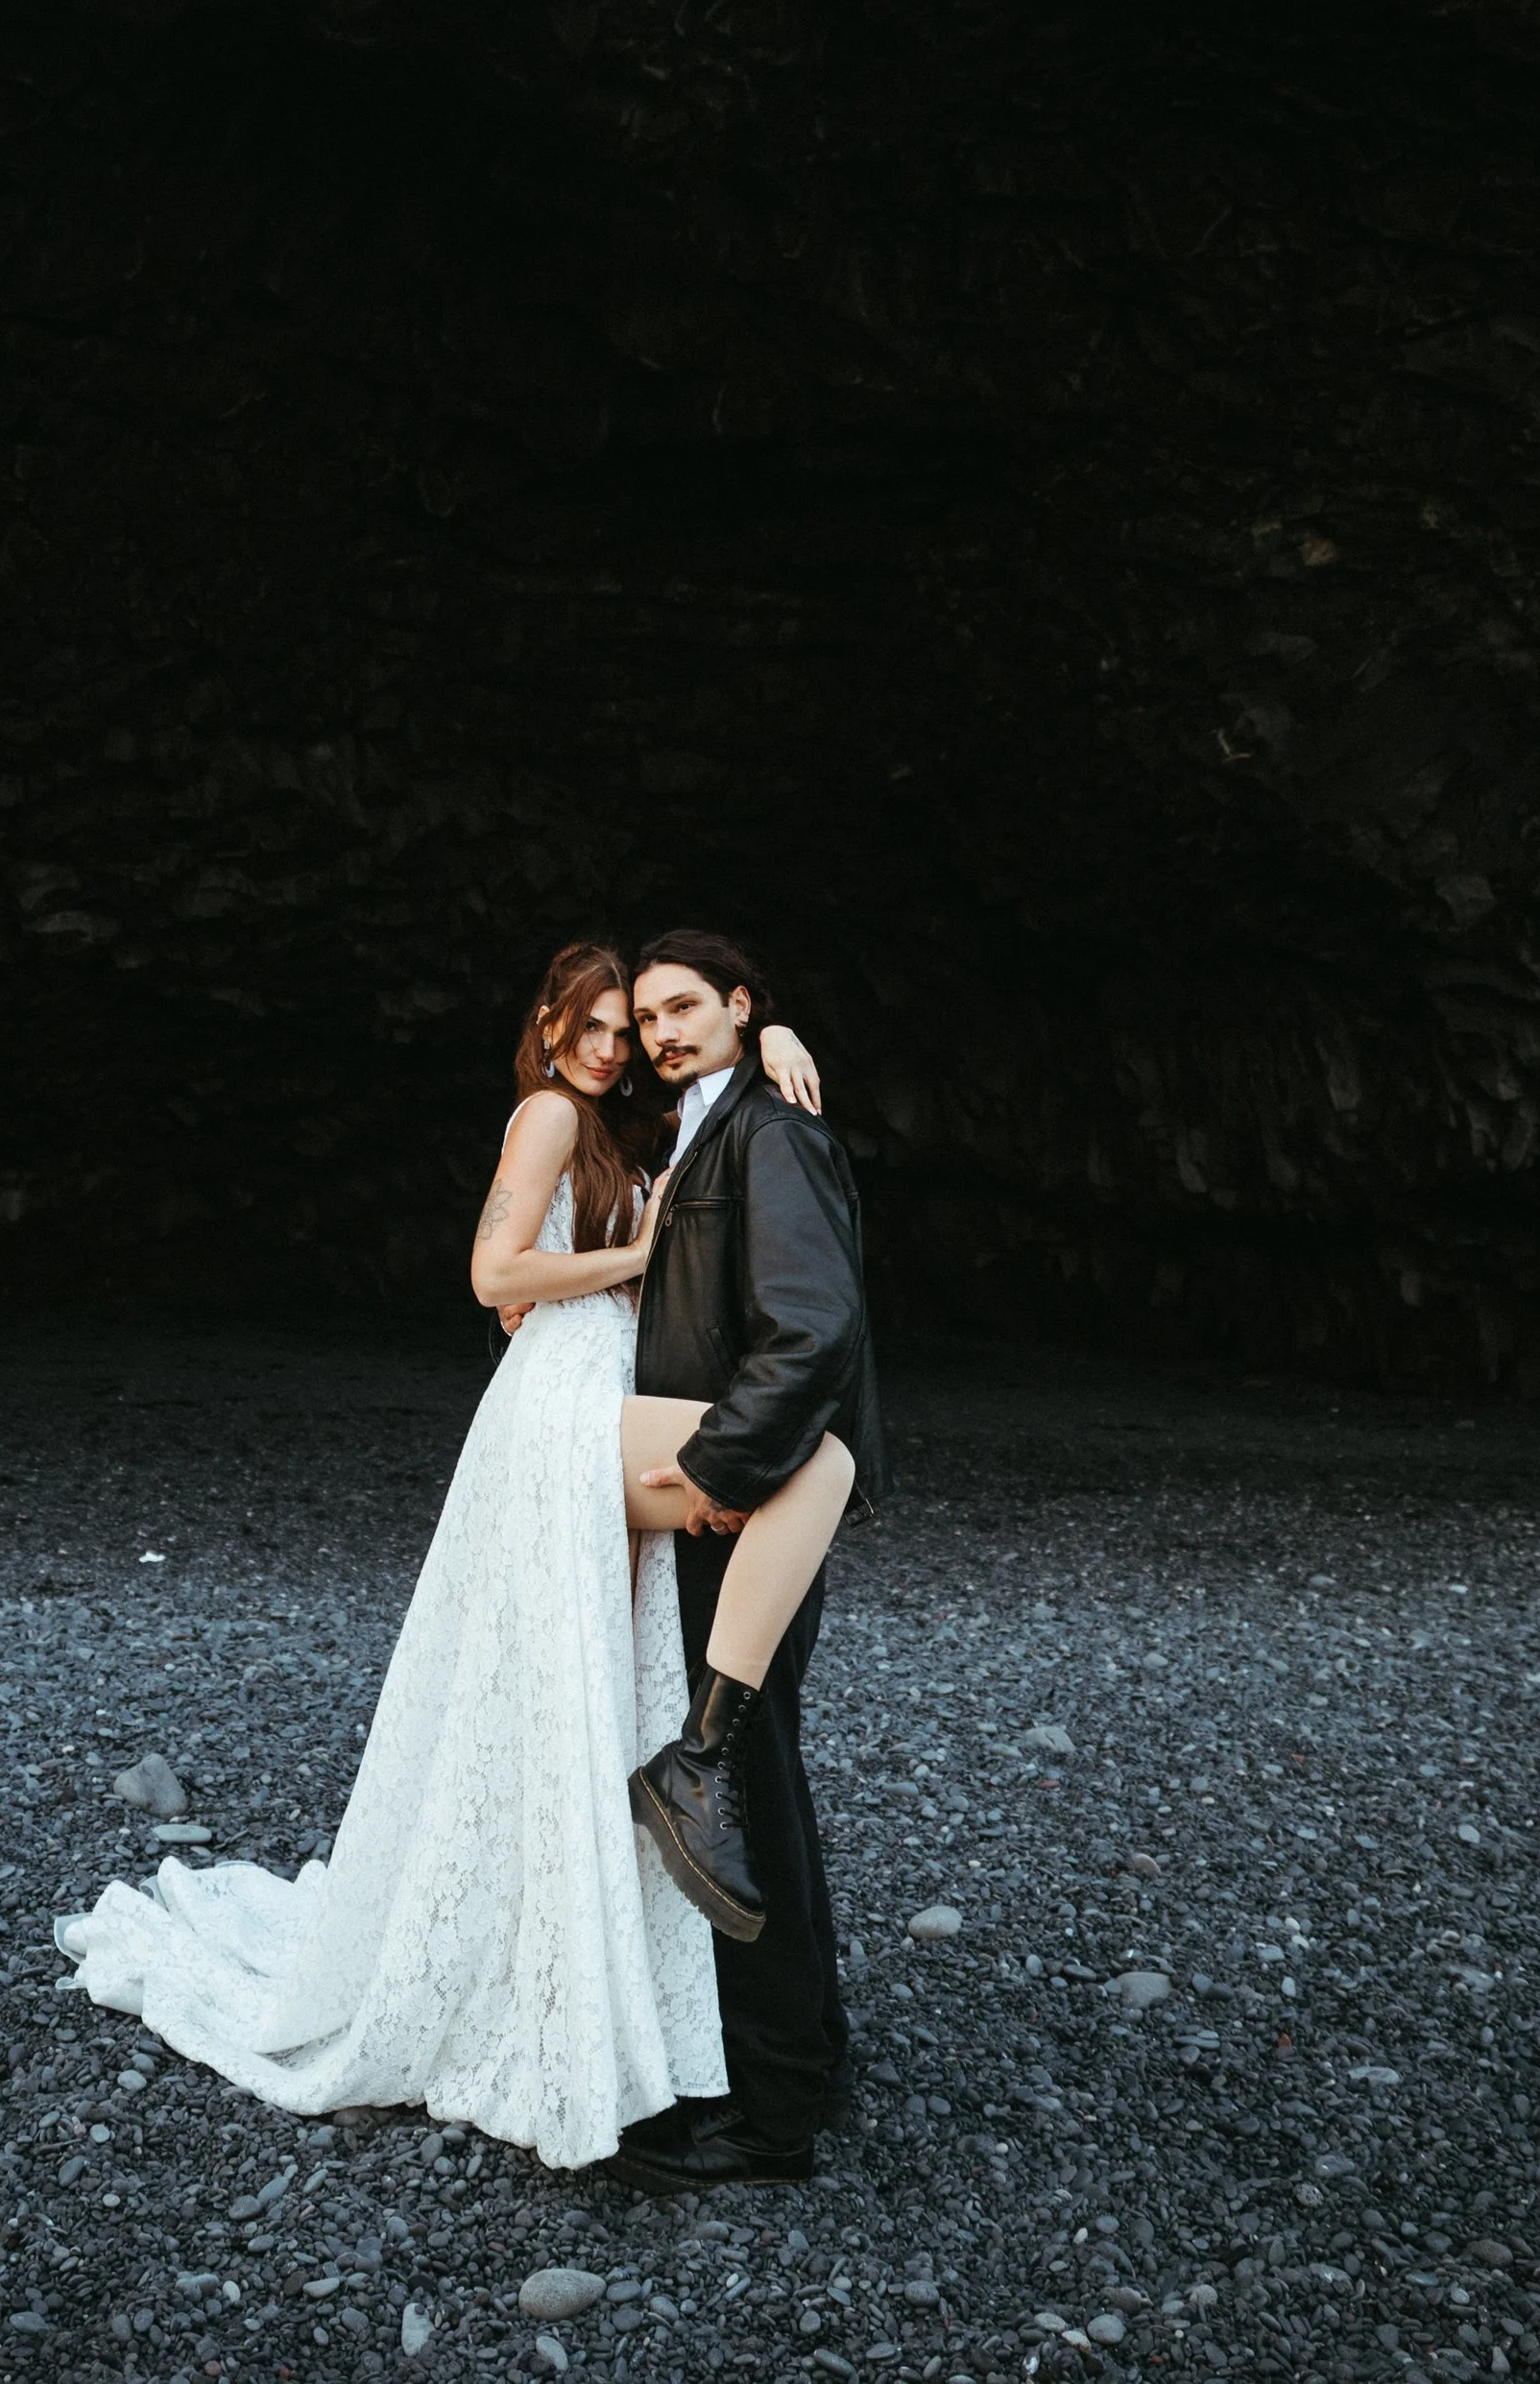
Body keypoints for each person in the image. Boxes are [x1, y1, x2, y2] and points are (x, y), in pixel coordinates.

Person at [52, 940, 837, 2172]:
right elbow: (492, 1273)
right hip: (558, 1404)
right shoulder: (543, 1117)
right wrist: (641, 1259)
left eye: (627, 1029)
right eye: (591, 1024)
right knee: (812, 1467)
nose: (610, 1046)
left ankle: (672, 1898)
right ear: (543, 1025)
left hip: (602, 1388)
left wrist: (782, 1039)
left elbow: (721, 1094)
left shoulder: (638, 1124)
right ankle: (699, 1771)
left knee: (594, 1682)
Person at [605, 928, 885, 2195]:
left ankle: (772, 2115)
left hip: (747, 1495)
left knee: (744, 1788)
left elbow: (812, 1324)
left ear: (741, 1002)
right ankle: (805, 2058)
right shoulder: (708, 1125)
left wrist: (722, 1462)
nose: (663, 1031)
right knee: (757, 1768)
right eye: (647, 1015)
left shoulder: (774, 1132)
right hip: (727, 1489)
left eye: (685, 1006)